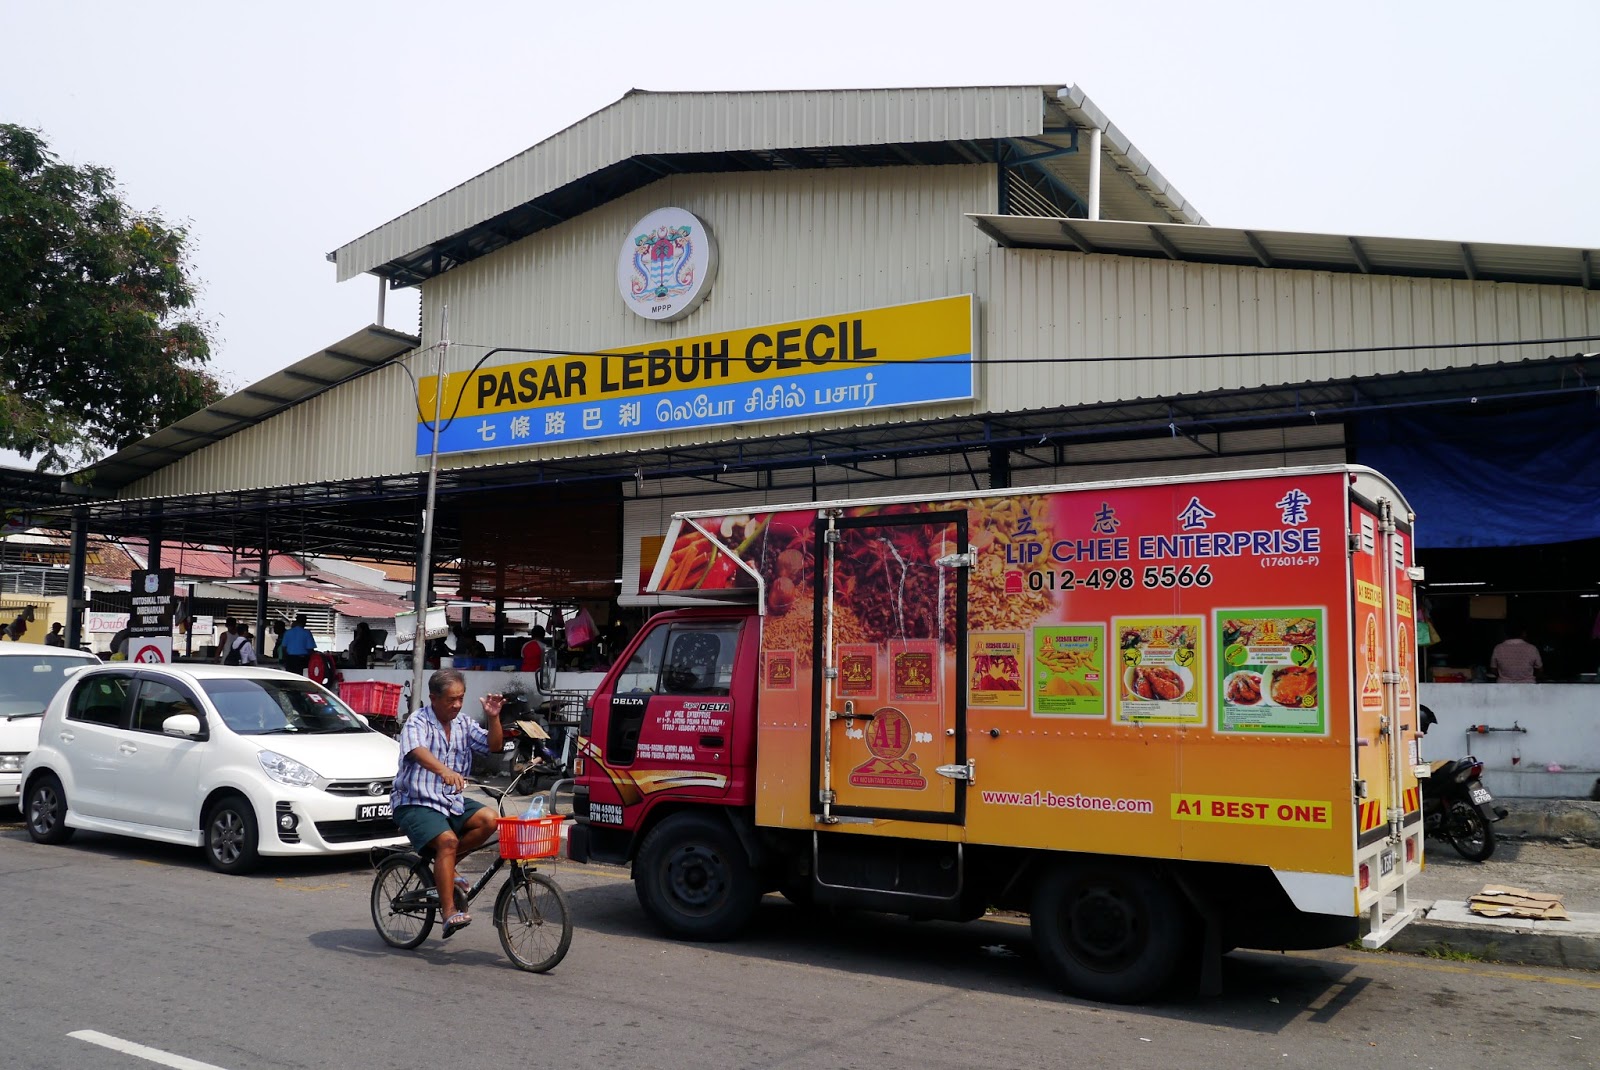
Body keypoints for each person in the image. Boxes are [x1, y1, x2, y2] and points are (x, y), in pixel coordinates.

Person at [391, 670, 504, 937]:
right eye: (451, 699)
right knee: (448, 842)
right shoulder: (418, 721)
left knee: (491, 820)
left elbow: (493, 746)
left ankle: (447, 866)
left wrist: (493, 717)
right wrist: (444, 771)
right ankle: (449, 911)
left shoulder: (463, 723)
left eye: (461, 698)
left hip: (450, 801)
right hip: (415, 801)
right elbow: (417, 750)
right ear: (433, 698)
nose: (457, 705)